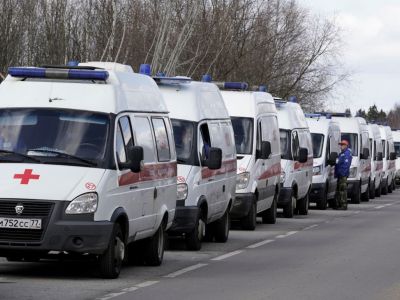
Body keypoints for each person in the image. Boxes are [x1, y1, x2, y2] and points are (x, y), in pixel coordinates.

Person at [334, 139, 353, 210]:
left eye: (342, 145)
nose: (341, 146)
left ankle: (343, 205)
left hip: (343, 175)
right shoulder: (341, 153)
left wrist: (342, 174)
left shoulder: (347, 154)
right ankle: (339, 204)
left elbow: (346, 165)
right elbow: (338, 163)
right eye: (340, 145)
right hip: (340, 175)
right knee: (339, 190)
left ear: (346, 146)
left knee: (342, 190)